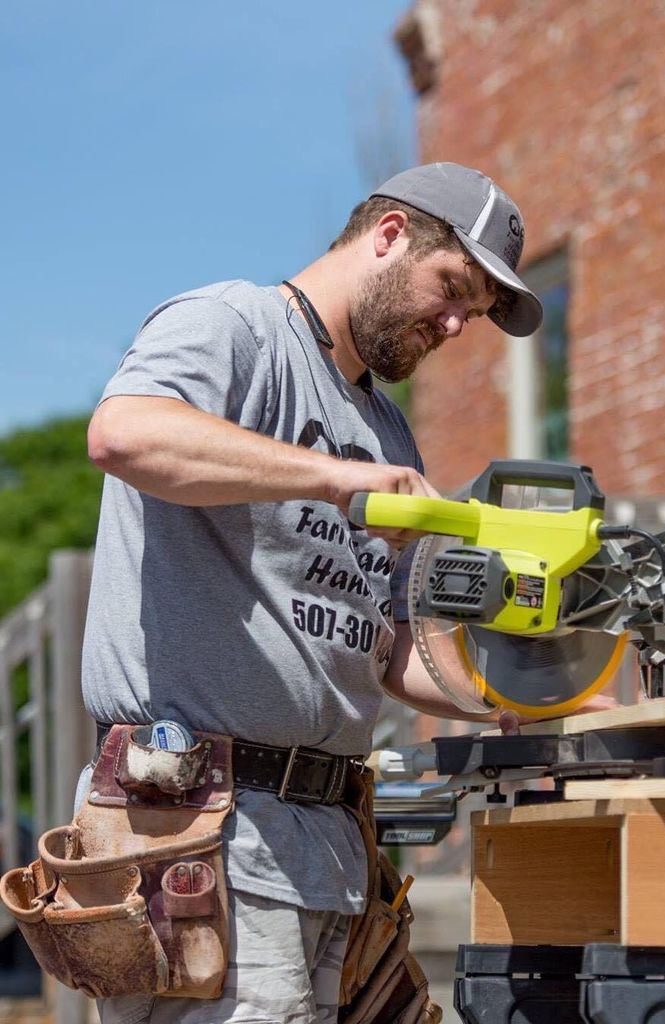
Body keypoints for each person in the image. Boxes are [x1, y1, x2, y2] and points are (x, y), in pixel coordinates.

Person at [79, 162, 548, 1024]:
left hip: (325, 845)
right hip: (203, 828)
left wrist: (512, 699)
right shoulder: (236, 327)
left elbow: (385, 646)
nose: (453, 324)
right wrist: (337, 480)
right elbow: (124, 432)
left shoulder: (385, 428)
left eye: (472, 316)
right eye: (452, 290)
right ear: (391, 233)